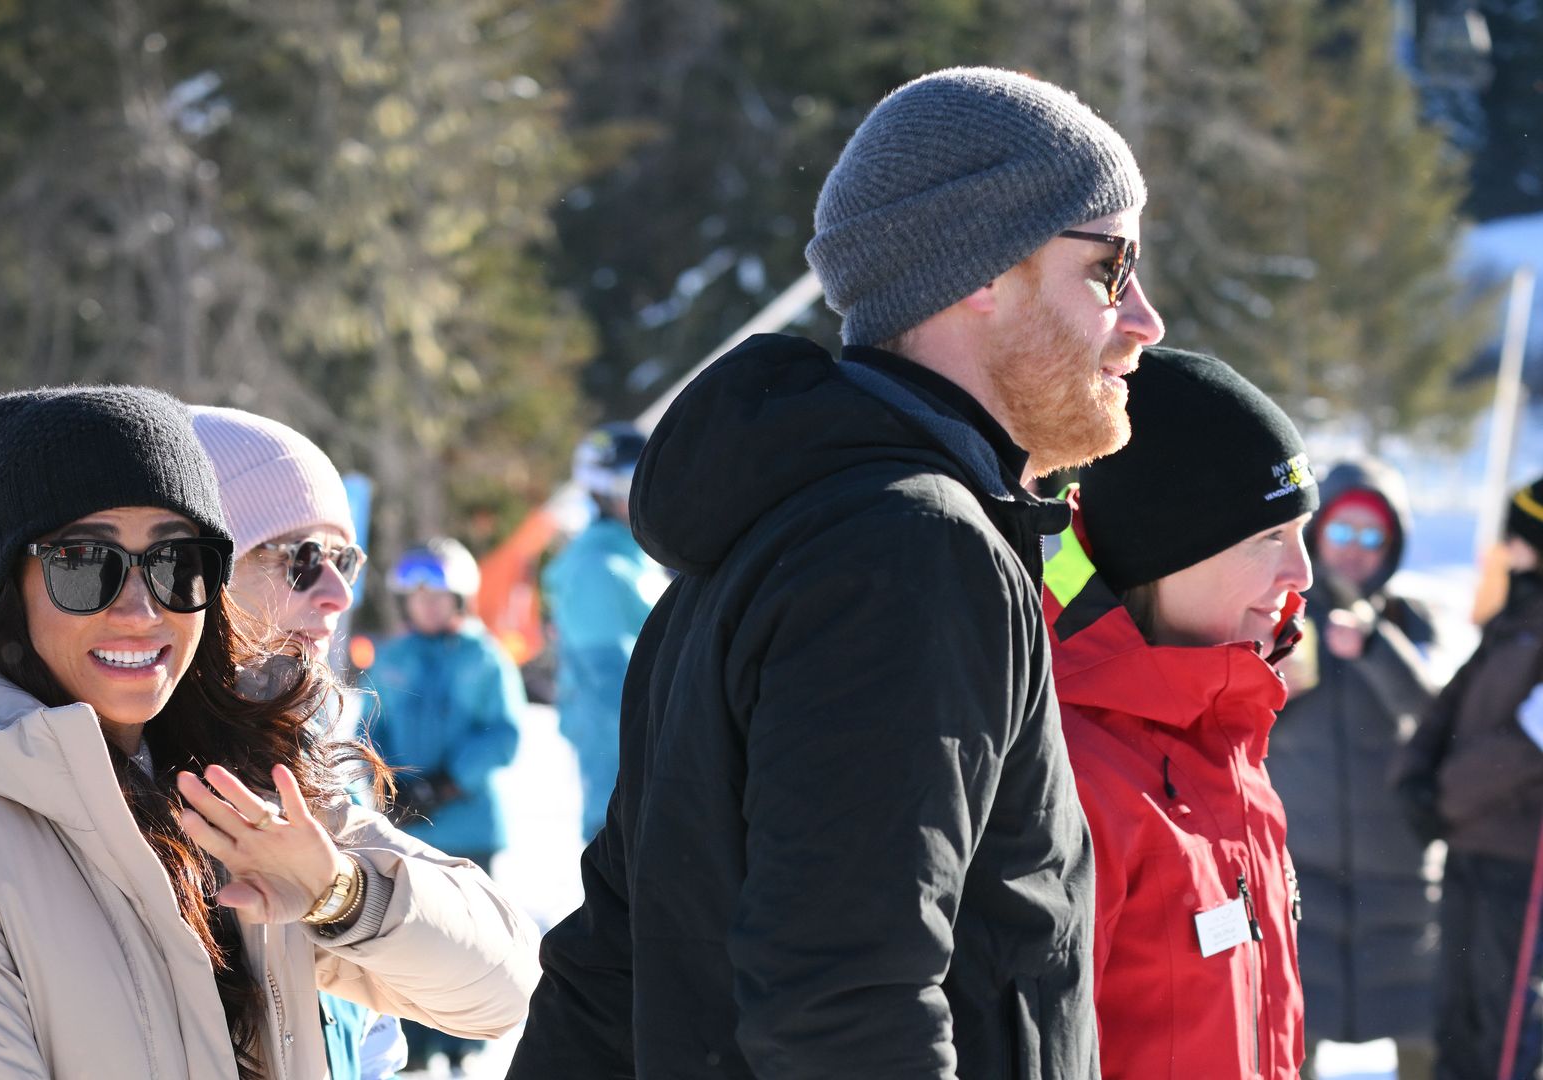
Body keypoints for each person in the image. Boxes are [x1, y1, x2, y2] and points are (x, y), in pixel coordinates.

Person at [509, 66, 1164, 1078]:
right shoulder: (909, 552)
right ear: (980, 270)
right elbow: (850, 1009)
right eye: (1111, 268)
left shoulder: (767, 529)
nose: (1145, 318)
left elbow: (613, 971)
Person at [0, 386, 535, 1079]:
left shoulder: (244, 775)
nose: (140, 608)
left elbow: (503, 989)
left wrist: (338, 893)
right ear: (13, 584)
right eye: (84, 565)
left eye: (177, 562)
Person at [1042, 348, 1313, 1077]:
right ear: (1164, 552)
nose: (1303, 575)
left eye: (1300, 534)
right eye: (1269, 538)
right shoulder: (1070, 769)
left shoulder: (1229, 735)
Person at [192, 404, 408, 1079]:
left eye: (344, 558)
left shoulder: (318, 755)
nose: (339, 592)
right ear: (203, 571)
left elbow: (373, 1035)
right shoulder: (129, 770)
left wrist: (343, 895)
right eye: (302, 559)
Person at [1264, 459, 1438, 1080]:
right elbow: (1240, 724)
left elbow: (1431, 711)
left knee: (1422, 1035)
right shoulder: (1278, 615)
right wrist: (1274, 680)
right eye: (1344, 533)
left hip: (1400, 876)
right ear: (1317, 535)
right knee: (1291, 1033)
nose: (1357, 552)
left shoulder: (1407, 619)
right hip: (1302, 868)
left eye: (1373, 538)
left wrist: (1372, 647)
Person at [1395, 475, 1543, 1080]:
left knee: (1502, 1028)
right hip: (1469, 855)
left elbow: (1527, 745)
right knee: (1454, 1017)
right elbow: (1452, 708)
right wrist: (1414, 775)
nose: (1505, 550)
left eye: (1517, 537)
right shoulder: (1517, 619)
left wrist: (1444, 797)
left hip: (1518, 864)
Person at [368, 537, 525, 1076]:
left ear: (460, 598)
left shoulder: (484, 657)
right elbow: (373, 729)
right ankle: (416, 1042)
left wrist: (451, 780)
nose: (426, 605)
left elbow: (505, 733)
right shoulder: (393, 658)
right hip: (411, 828)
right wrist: (386, 783)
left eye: (437, 595)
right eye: (415, 596)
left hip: (470, 824)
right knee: (414, 939)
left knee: (470, 940)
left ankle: (466, 1050)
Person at [541, 422, 669, 839]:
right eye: (632, 480)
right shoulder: (597, 569)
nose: (646, 490)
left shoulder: (637, 559)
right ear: (601, 490)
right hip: (631, 784)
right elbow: (614, 688)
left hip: (654, 776)